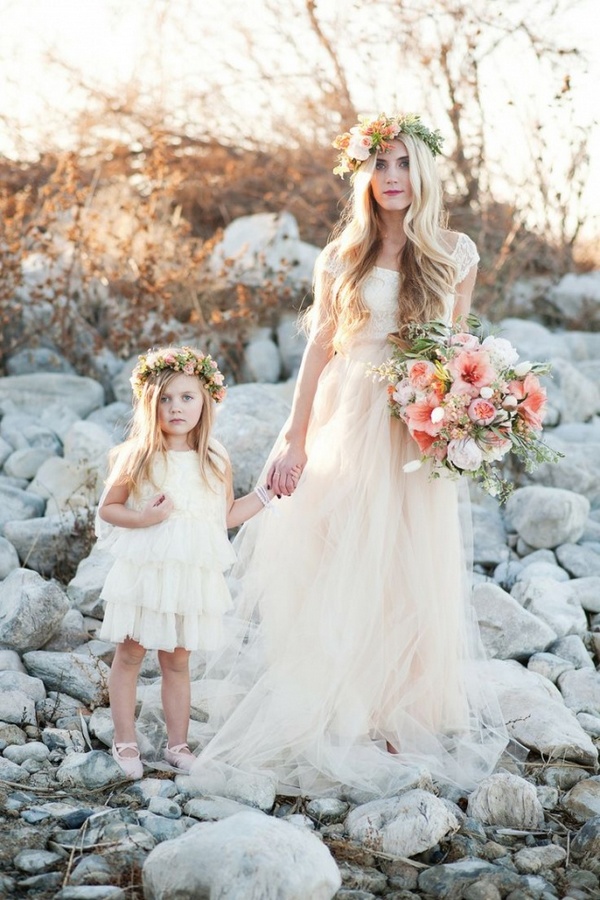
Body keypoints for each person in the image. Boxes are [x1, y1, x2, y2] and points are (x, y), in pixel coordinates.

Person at [191, 113, 509, 799]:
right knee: (337, 552)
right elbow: (318, 349)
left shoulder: (456, 252)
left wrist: (465, 418)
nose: (390, 178)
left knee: (408, 562)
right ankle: (344, 700)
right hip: (349, 414)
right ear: (363, 174)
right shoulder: (342, 255)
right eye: (380, 165)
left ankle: (400, 714)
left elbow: (456, 349)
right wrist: (296, 437)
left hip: (414, 422)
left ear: (421, 174)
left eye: (402, 165)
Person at [96, 346, 290, 780]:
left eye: (186, 397)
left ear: (205, 402)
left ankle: (177, 745)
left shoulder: (215, 458)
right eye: (165, 399)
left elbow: (222, 518)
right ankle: (124, 739)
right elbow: (109, 508)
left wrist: (265, 494)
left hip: (187, 574)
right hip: (147, 571)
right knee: (129, 653)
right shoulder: (139, 455)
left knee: (177, 660)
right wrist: (145, 517)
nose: (176, 407)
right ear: (151, 405)